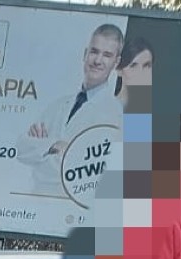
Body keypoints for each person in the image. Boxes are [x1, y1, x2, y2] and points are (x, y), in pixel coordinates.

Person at [16, 23, 124, 196]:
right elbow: (21, 147)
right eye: (94, 51)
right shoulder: (59, 105)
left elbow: (80, 170)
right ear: (85, 54)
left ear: (116, 62)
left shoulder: (114, 114)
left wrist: (41, 151)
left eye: (107, 55)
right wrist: (54, 144)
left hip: (74, 210)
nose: (97, 60)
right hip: (35, 204)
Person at [114, 37, 154, 112]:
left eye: (146, 65)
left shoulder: (140, 108)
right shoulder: (107, 109)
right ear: (119, 70)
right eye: (133, 66)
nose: (141, 73)